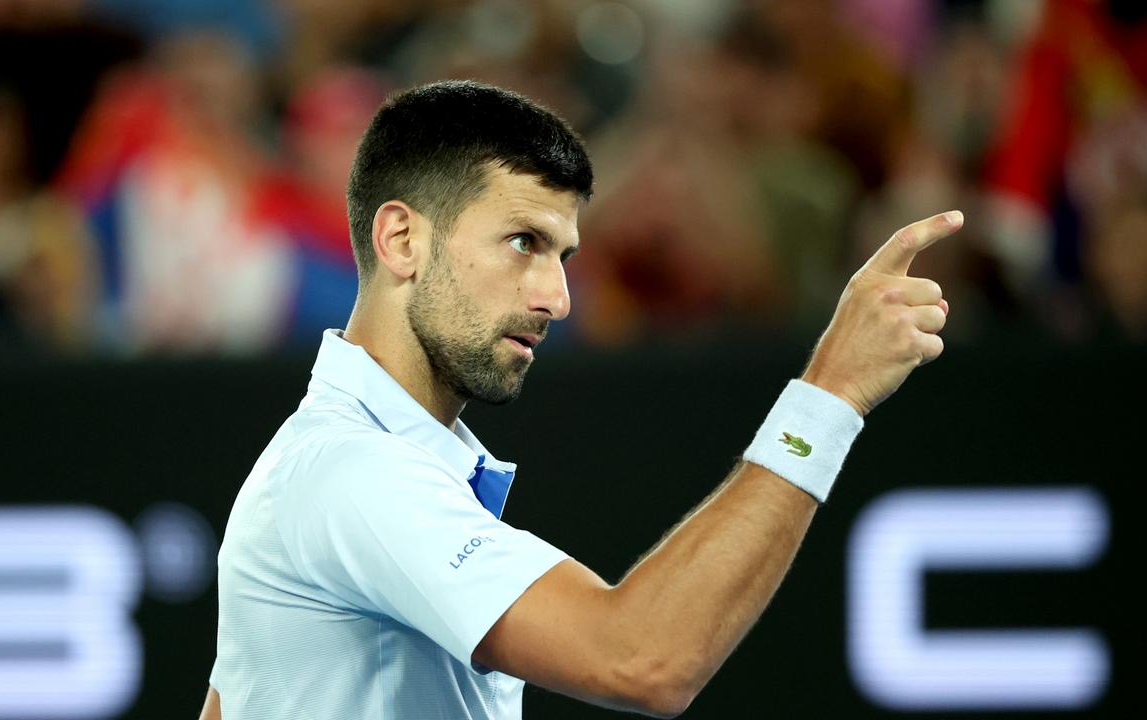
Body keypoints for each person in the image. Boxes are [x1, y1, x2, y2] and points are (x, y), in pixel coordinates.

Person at [199, 80, 959, 719]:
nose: (558, 297)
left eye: (563, 255)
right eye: (523, 242)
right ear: (401, 240)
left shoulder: (341, 465)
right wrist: (830, 395)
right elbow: (642, 657)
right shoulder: (352, 472)